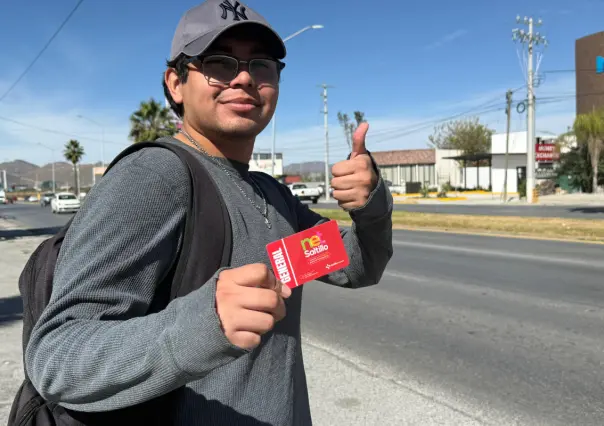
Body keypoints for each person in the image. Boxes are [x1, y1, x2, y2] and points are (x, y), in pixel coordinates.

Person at [25, 0, 393, 424]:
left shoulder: (271, 194)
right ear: (176, 84)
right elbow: (58, 358)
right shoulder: (155, 176)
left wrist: (370, 207)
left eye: (261, 65)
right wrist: (203, 325)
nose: (243, 78)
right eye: (218, 63)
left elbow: (356, 266)